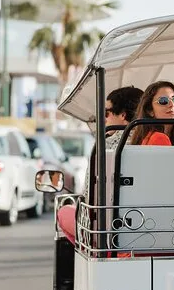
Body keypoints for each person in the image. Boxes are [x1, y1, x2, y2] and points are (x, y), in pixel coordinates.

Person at [57, 85, 143, 245]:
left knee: (63, 212)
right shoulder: (151, 140)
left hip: (107, 229)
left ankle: (87, 247)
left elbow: (90, 195)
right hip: (144, 224)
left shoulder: (106, 146)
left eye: (106, 113)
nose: (103, 118)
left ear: (123, 115)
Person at [130, 80, 174, 146]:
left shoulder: (148, 136)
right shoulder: (159, 138)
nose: (172, 104)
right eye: (163, 100)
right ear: (150, 110)